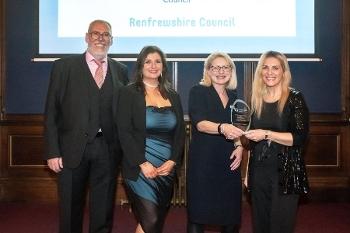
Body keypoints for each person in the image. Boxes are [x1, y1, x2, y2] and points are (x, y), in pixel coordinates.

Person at [43, 19, 128, 233]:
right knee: (70, 210)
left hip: (107, 150)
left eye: (106, 34)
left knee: (103, 210)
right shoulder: (64, 67)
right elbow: (52, 111)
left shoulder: (121, 70)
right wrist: (52, 151)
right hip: (71, 149)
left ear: (112, 40)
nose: (101, 38)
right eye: (96, 33)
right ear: (86, 37)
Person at [117, 45, 185, 233]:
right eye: (148, 61)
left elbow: (180, 133)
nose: (153, 65)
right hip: (140, 170)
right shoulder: (128, 93)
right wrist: (142, 163)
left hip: (166, 171)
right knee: (151, 219)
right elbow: (124, 132)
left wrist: (172, 161)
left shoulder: (173, 95)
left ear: (163, 66)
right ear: (140, 65)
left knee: (153, 222)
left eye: (157, 61)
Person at [244, 51, 309, 233]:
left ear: (283, 72)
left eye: (275, 68)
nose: (269, 72)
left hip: (285, 173)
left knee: (280, 226)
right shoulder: (257, 99)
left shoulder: (294, 98)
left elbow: (299, 138)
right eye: (265, 67)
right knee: (261, 224)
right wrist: (249, 172)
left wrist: (267, 134)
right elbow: (251, 139)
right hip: (259, 172)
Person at [187, 52, 245, 233]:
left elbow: (237, 127)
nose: (221, 71)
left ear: (231, 71)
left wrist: (239, 145)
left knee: (230, 215)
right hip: (203, 163)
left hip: (228, 162)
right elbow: (200, 123)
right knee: (198, 215)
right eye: (215, 67)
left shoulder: (234, 96)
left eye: (225, 67)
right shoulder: (198, 91)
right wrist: (222, 128)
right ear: (208, 71)